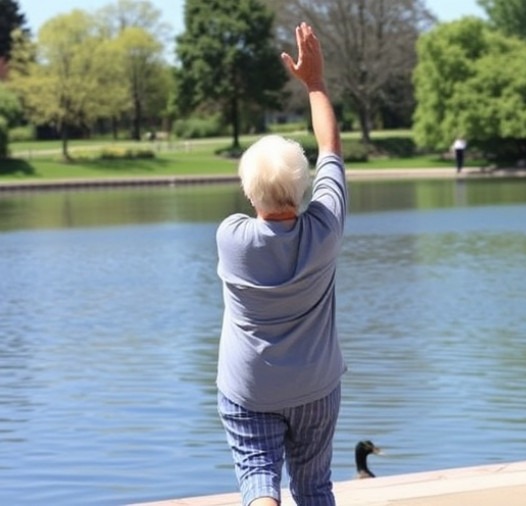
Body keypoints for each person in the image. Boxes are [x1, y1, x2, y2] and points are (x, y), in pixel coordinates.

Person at [215, 22, 346, 506]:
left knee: (258, 479)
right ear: (304, 186)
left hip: (250, 388)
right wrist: (315, 83)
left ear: (249, 193)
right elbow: (330, 149)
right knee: (314, 487)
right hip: (315, 386)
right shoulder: (326, 228)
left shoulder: (231, 237)